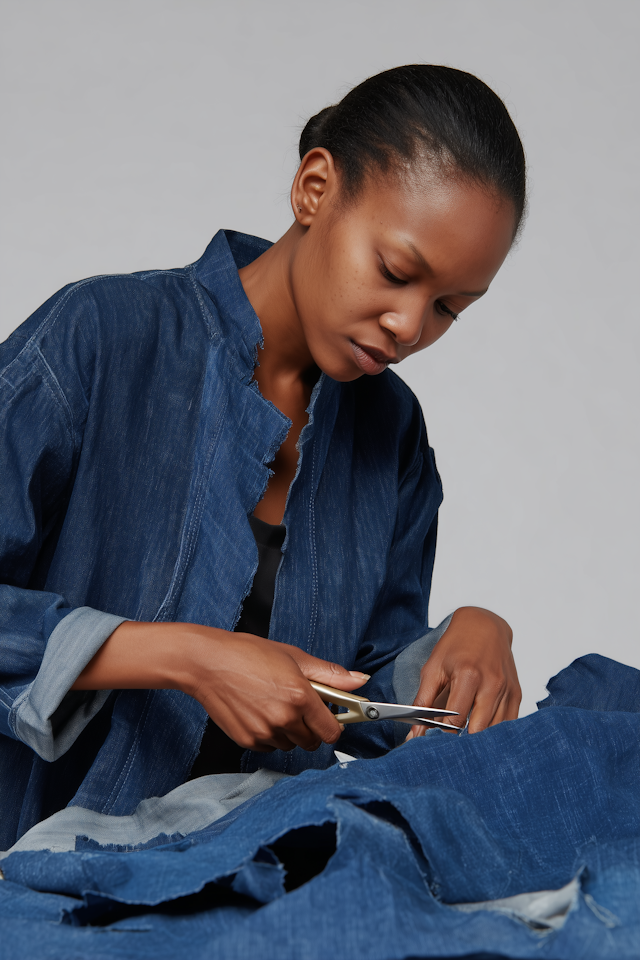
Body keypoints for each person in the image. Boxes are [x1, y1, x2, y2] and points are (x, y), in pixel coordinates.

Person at [0, 64, 524, 848]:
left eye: (450, 307)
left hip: (268, 875)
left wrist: (472, 638)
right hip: (47, 873)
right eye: (395, 271)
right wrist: (184, 657)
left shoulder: (392, 432)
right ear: (315, 189)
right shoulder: (102, 336)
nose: (410, 326)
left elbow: (360, 691)